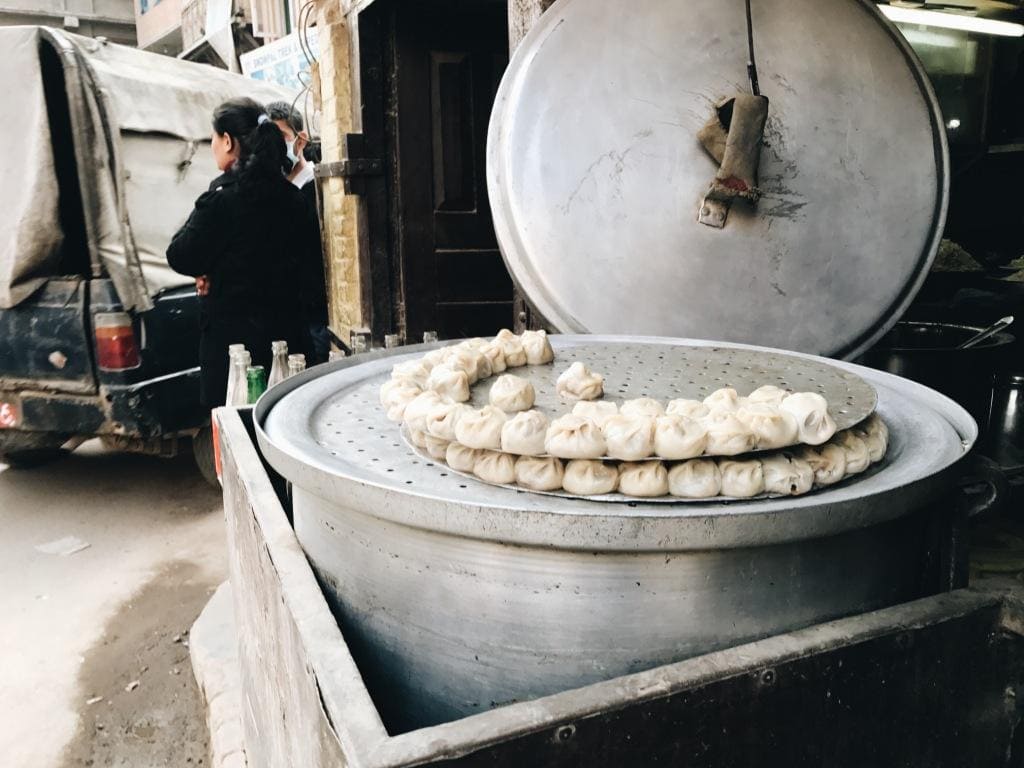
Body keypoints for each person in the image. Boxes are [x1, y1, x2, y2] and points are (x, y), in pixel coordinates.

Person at [167, 97, 316, 407]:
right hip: (288, 344)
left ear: (227, 140)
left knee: (239, 432)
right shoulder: (293, 199)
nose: (212, 145)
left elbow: (180, 254)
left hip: (236, 356)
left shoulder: (221, 201)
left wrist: (207, 266)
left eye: (213, 138)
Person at [266, 101, 330, 363]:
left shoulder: (319, 188)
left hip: (315, 314)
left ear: (300, 141)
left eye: (280, 137)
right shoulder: (271, 192)